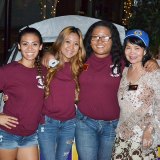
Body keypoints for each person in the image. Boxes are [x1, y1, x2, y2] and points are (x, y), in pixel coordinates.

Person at [41, 21, 159, 160]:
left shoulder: (123, 62)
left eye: (105, 37)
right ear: (89, 40)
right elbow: (60, 55)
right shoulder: (80, 60)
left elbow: (139, 59)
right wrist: (48, 54)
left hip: (112, 126)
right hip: (85, 124)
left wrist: (152, 61)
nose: (100, 41)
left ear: (113, 40)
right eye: (95, 37)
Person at [37, 26, 86, 160]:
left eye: (76, 44)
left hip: (69, 124)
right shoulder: (47, 64)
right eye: (67, 42)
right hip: (47, 123)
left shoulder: (81, 68)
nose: (71, 47)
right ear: (60, 42)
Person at [112, 29, 160, 159]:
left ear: (144, 51)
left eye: (137, 48)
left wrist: (149, 131)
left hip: (143, 136)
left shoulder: (153, 73)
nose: (132, 52)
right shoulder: (125, 71)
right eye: (128, 47)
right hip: (122, 134)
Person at [0, 27, 45, 160]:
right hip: (8, 133)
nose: (30, 48)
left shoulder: (44, 71)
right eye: (25, 44)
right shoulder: (8, 71)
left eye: (34, 44)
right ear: (19, 46)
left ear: (41, 46)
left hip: (31, 134)